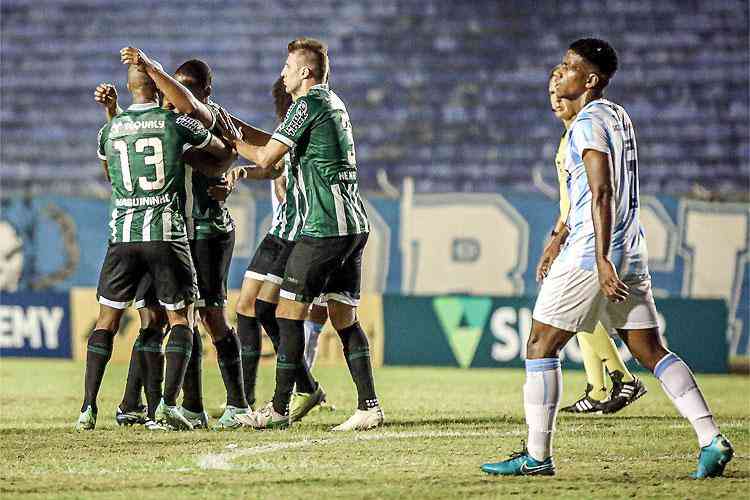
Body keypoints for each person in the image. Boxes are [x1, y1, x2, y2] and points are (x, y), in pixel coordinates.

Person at [481, 38, 733, 478]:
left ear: (590, 79)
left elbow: (602, 191)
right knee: (649, 349)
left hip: (592, 252)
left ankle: (537, 457)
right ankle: (711, 438)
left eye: (568, 66)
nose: (560, 72)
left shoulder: (587, 124)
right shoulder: (618, 114)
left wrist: (600, 259)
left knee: (541, 344)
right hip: (631, 248)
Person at [223, 38, 382, 430]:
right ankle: (369, 406)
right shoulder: (332, 102)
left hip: (323, 225)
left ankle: (278, 408)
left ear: (305, 72)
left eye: (288, 67)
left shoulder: (307, 105)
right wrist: (234, 126)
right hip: (352, 223)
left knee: (286, 312)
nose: (283, 73)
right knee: (344, 317)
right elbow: (273, 147)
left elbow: (264, 157)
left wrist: (228, 140)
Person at [76, 61, 233, 431]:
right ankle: (167, 404)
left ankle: (87, 408)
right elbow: (222, 151)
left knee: (108, 321)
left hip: (123, 236)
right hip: (165, 232)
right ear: (160, 88)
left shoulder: (109, 129)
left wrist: (113, 113)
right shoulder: (176, 123)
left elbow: (112, 175)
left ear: (130, 88)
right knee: (181, 318)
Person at [538, 66, 646, 415]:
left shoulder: (582, 135)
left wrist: (558, 239)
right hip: (583, 235)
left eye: (560, 93)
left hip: (588, 238)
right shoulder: (570, 136)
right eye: (551, 94)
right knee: (584, 315)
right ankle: (601, 386)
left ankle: (617, 379)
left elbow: (593, 196)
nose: (555, 100)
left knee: (571, 313)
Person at [232, 76, 327, 423]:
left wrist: (231, 137)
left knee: (261, 308)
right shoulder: (291, 128)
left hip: (294, 232)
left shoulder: (303, 127)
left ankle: (247, 400)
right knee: (257, 308)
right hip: (282, 230)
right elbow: (272, 167)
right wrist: (245, 171)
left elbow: (277, 167)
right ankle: (303, 386)